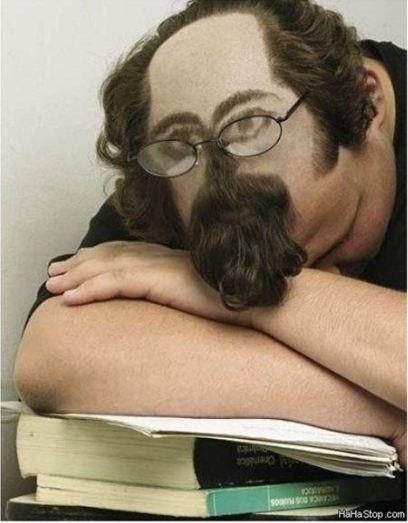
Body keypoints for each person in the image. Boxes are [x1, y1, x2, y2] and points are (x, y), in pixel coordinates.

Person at [14, 0, 406, 464]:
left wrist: (218, 293)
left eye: (251, 125)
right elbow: (53, 355)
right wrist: (384, 408)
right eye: (179, 144)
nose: (222, 180)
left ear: (368, 101)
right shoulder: (180, 168)